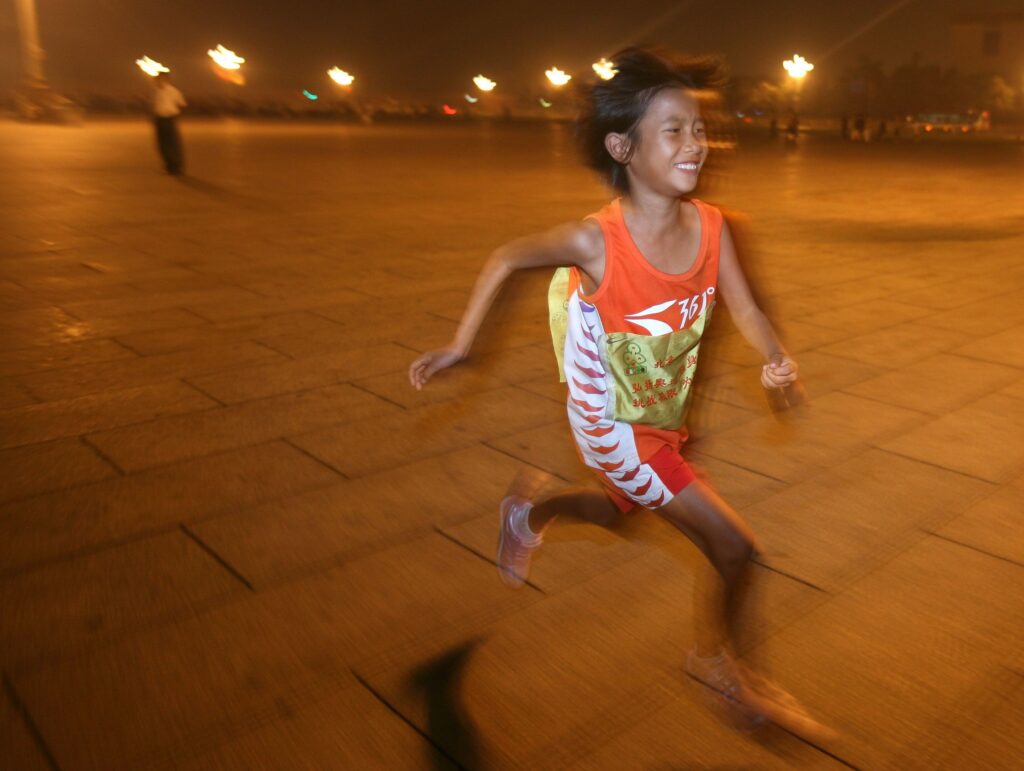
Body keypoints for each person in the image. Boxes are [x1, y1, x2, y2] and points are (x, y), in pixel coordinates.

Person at [409, 47, 831, 740]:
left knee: (621, 512)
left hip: (658, 410)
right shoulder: (597, 240)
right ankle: (722, 665)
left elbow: (747, 308)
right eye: (674, 129)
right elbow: (509, 256)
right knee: (735, 549)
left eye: (699, 127)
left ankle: (531, 511)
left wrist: (775, 359)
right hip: (614, 423)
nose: (697, 141)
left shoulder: (714, 227)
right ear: (622, 147)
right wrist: (464, 346)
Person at [151, 72, 186, 175]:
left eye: (161, 79)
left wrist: (175, 116)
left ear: (166, 80)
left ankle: (176, 166)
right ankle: (168, 165)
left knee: (173, 143)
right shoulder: (156, 92)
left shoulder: (173, 91)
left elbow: (182, 104)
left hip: (170, 119)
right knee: (162, 144)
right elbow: (155, 106)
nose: (159, 81)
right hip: (159, 119)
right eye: (157, 79)